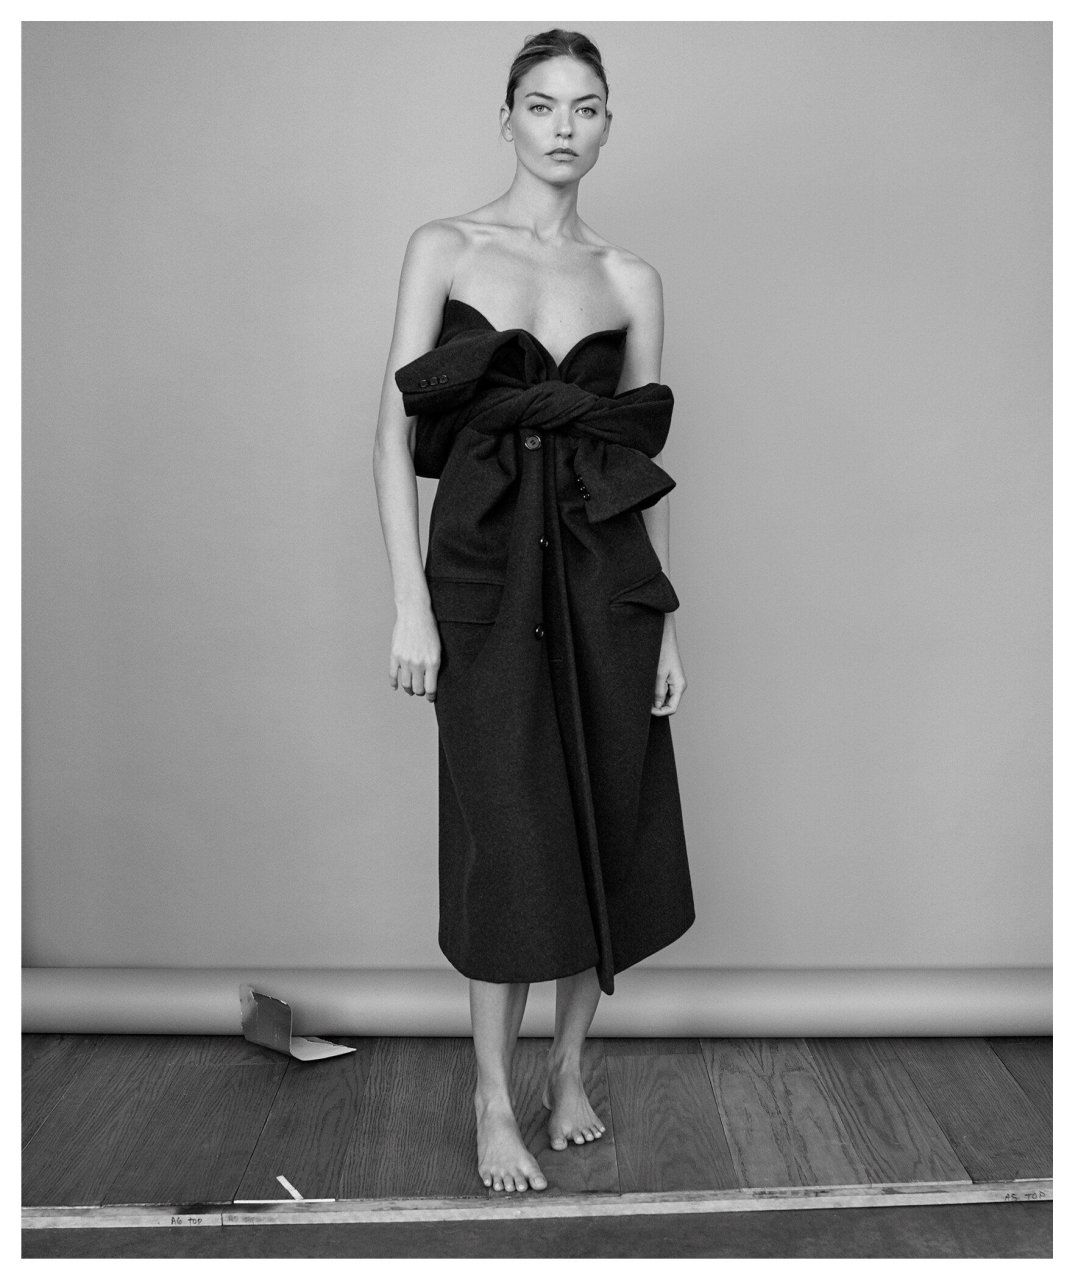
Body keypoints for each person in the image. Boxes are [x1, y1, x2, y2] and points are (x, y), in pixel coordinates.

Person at [372, 28, 695, 1195]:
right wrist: (409, 605)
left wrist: (664, 622)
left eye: (585, 106)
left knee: (598, 820)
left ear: (607, 124)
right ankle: (488, 1097)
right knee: (507, 842)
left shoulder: (630, 278)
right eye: (542, 104)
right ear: (504, 116)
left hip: (604, 584)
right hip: (482, 582)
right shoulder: (444, 246)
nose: (563, 126)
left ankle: (565, 1072)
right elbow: (387, 437)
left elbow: (641, 464)